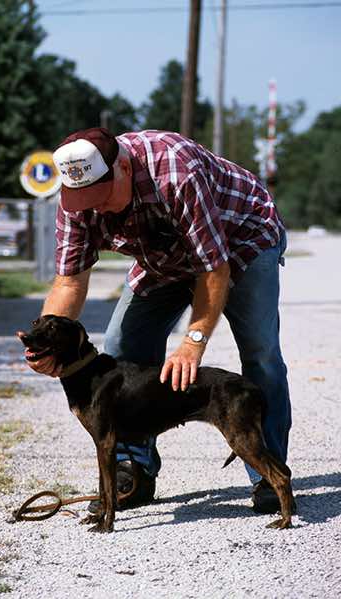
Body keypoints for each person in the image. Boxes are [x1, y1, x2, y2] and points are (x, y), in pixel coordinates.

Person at [25, 127, 292, 515]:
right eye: (84, 200)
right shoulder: (76, 200)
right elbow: (69, 281)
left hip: (241, 238)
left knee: (260, 351)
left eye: (100, 197)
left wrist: (193, 340)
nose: (94, 208)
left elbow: (213, 270)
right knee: (119, 346)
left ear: (121, 167)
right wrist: (50, 348)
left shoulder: (175, 172)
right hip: (162, 257)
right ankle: (133, 469)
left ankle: (268, 474)